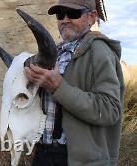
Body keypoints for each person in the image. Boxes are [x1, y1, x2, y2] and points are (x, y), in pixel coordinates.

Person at [24, 0, 124, 165]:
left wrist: (58, 87)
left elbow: (110, 110)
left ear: (92, 17)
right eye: (60, 14)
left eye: (74, 13)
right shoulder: (54, 52)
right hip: (43, 152)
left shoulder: (100, 52)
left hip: (78, 159)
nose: (65, 20)